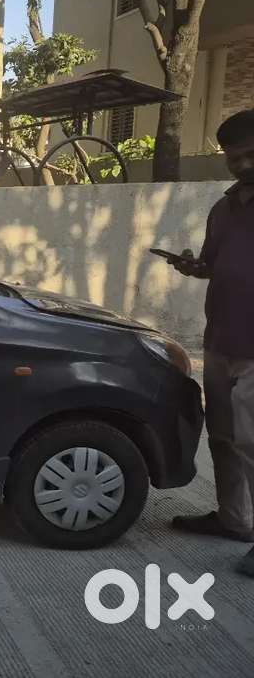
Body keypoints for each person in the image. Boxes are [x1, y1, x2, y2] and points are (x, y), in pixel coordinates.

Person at [168, 108, 254, 578]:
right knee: (223, 438)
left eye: (248, 155)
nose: (240, 165)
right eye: (231, 158)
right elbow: (212, 264)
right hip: (221, 339)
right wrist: (192, 267)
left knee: (253, 441)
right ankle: (234, 521)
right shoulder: (223, 207)